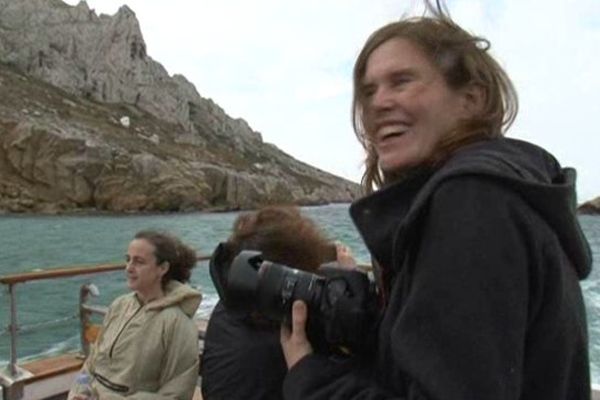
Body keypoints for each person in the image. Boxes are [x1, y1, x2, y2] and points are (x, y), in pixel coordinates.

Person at [280, 1, 593, 399]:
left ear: (471, 99)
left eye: (402, 81)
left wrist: (312, 379)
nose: (376, 103)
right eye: (369, 90)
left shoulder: (472, 201)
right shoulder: (506, 192)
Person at [201, 206, 357, 400]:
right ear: (285, 279)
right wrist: (351, 281)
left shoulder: (230, 307)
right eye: (310, 271)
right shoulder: (293, 337)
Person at [68, 230, 202, 400]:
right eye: (128, 259)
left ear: (162, 268)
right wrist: (79, 392)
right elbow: (91, 364)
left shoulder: (177, 324)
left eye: (139, 262)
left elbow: (176, 394)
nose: (129, 268)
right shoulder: (119, 306)